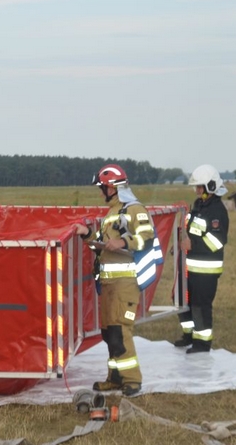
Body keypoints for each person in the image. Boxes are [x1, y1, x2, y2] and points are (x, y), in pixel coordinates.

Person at [72, 164, 154, 397]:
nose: (101, 193)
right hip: (109, 286)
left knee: (120, 330)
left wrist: (124, 242)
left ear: (113, 187)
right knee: (109, 333)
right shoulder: (112, 213)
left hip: (125, 284)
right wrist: (86, 234)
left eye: (103, 188)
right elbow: (102, 244)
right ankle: (115, 377)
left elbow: (146, 237)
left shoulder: (134, 209)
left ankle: (132, 380)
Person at [173, 164, 230, 354]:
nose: (197, 191)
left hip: (206, 270)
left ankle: (202, 343)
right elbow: (191, 230)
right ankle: (189, 334)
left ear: (211, 186)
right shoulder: (198, 206)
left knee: (200, 305)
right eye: (196, 187)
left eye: (200, 187)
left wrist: (193, 246)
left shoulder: (217, 211)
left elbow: (217, 241)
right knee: (182, 300)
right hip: (191, 266)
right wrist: (180, 243)